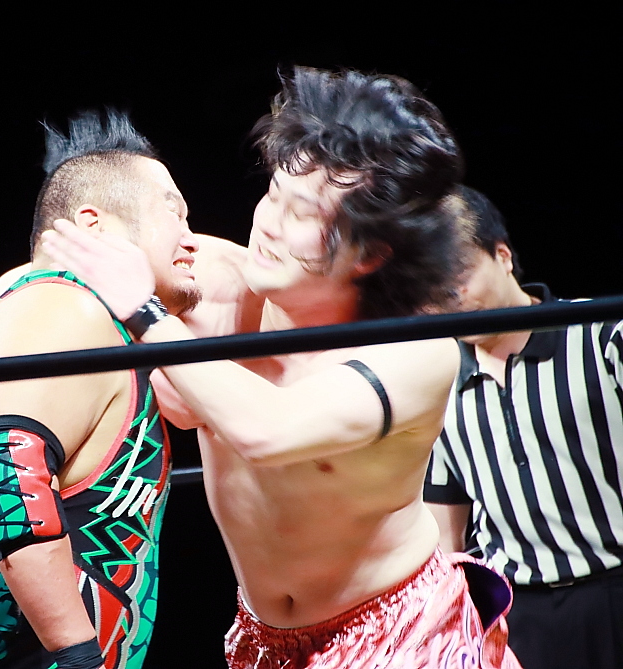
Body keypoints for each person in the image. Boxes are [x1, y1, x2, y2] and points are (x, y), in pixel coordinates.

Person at [42, 67, 521, 669]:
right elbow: (42, 275)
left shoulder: (414, 350)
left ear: (370, 253)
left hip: (400, 632)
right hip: (261, 638)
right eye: (273, 192)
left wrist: (147, 315)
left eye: (301, 214)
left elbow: (268, 430)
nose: (267, 223)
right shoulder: (215, 281)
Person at [0, 110, 201, 669]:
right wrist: (79, 659)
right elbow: (5, 478)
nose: (191, 239)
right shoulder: (62, 307)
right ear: (92, 224)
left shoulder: (80, 317)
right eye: (173, 213)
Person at [424, 187, 623, 668]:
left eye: (460, 278)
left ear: (503, 256)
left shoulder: (600, 337)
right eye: (432, 292)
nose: (451, 301)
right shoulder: (436, 384)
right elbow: (444, 536)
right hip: (522, 617)